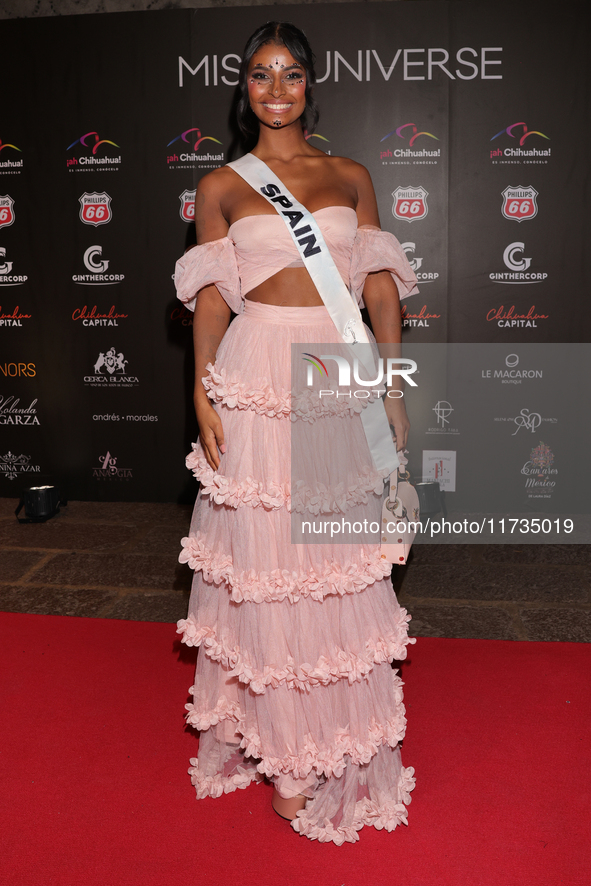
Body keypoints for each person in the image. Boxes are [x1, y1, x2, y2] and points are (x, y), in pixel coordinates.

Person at [174, 21, 419, 845]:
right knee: (268, 561)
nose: (275, 89)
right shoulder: (220, 185)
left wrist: (386, 385)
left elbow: (380, 291)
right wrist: (202, 391)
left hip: (333, 363)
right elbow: (211, 299)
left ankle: (333, 733)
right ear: (242, 88)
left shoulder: (350, 175)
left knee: (330, 560)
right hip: (252, 370)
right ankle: (282, 751)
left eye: (290, 75)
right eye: (258, 76)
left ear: (311, 84)